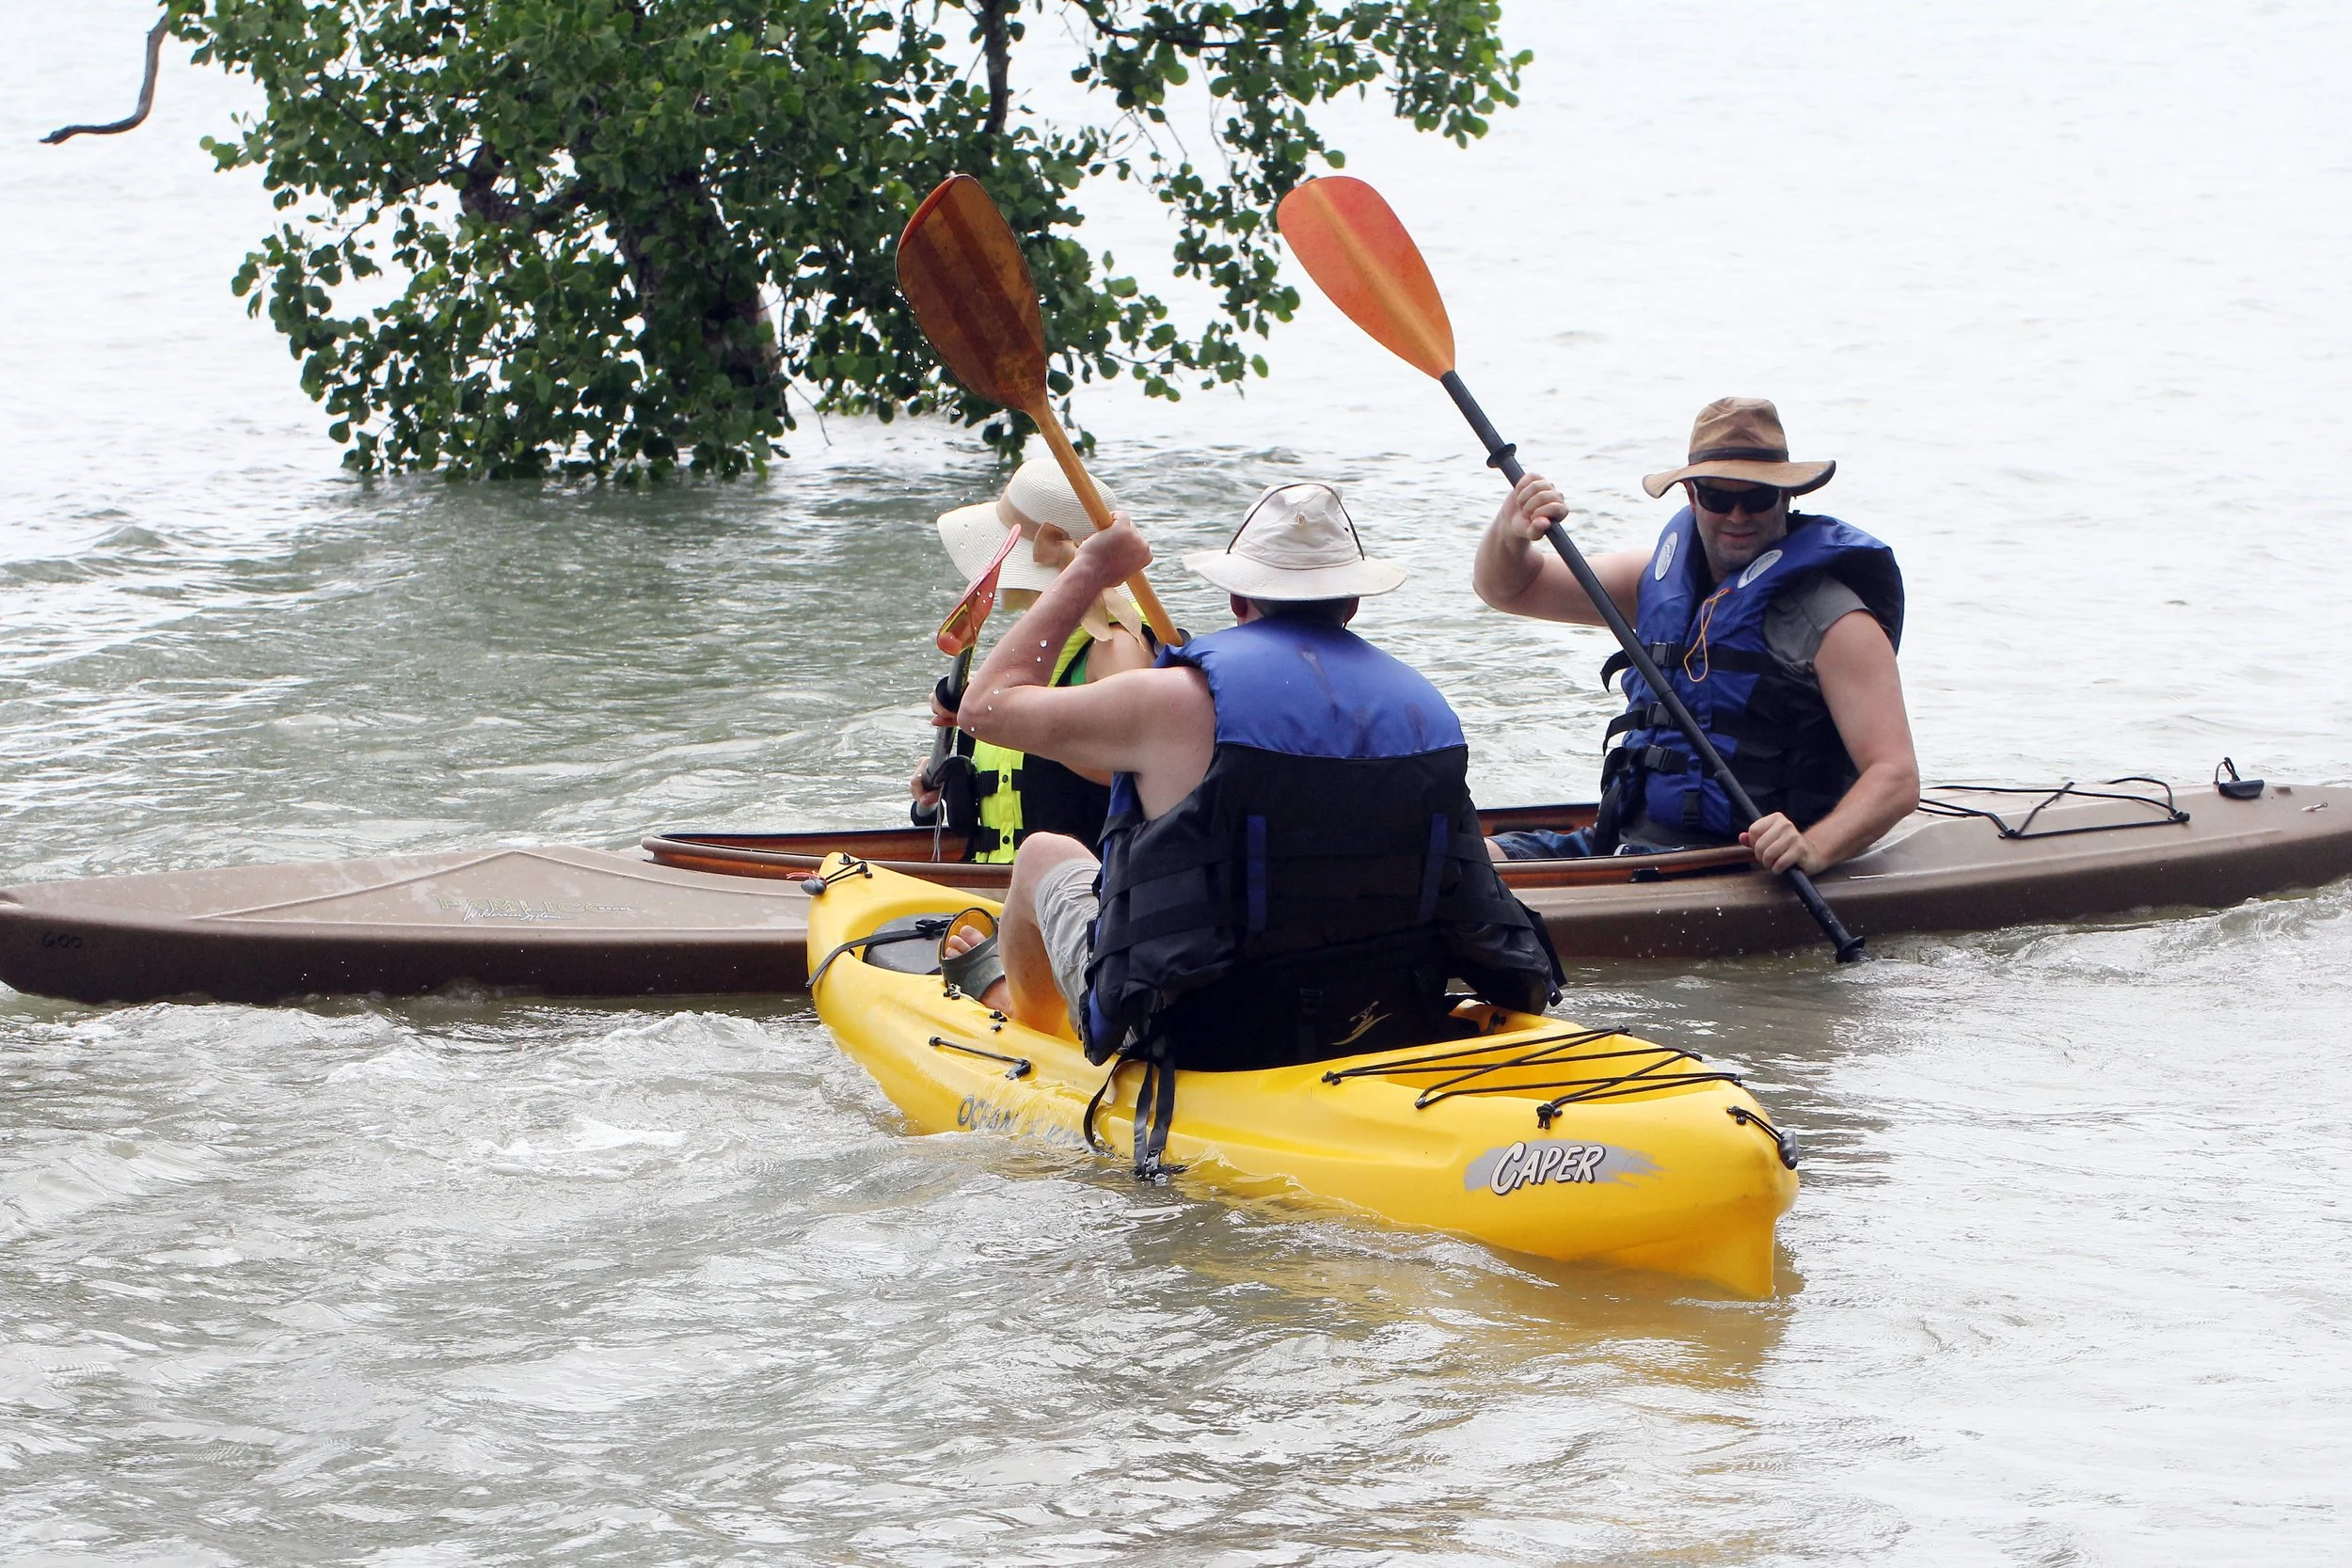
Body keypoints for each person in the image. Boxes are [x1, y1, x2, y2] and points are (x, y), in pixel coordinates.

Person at [941, 482, 1559, 1088]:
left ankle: (1024, 1017)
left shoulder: (1171, 700)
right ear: (1352, 605)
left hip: (1206, 1036)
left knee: (1044, 853)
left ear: (1237, 600)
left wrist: (1091, 569)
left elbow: (984, 707)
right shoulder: (1426, 708)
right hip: (1385, 1012)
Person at [1472, 397, 1918, 874]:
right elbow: (1510, 589)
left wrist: (1813, 847)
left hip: (1735, 862)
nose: (1738, 516)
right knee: (1462, 861)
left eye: (1757, 498)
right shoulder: (1655, 582)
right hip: (1623, 844)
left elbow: (1895, 777)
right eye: (1718, 498)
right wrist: (1510, 530)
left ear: (1786, 497)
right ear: (1691, 495)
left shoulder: (1837, 622)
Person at [911, 459, 1156, 862]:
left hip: (1082, 890)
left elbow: (1133, 772)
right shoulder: (1032, 649)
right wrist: (955, 775)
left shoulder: (1115, 647)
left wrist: (1007, 721)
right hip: (999, 885)